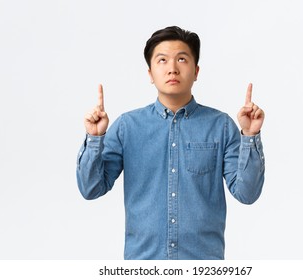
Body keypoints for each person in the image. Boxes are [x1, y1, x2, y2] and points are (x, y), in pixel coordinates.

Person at [76, 26, 265, 260]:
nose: (172, 68)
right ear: (150, 73)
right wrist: (95, 139)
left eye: (182, 59)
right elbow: (91, 189)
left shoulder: (221, 126)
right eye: (162, 60)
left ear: (196, 71)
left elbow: (247, 193)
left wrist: (250, 136)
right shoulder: (127, 127)